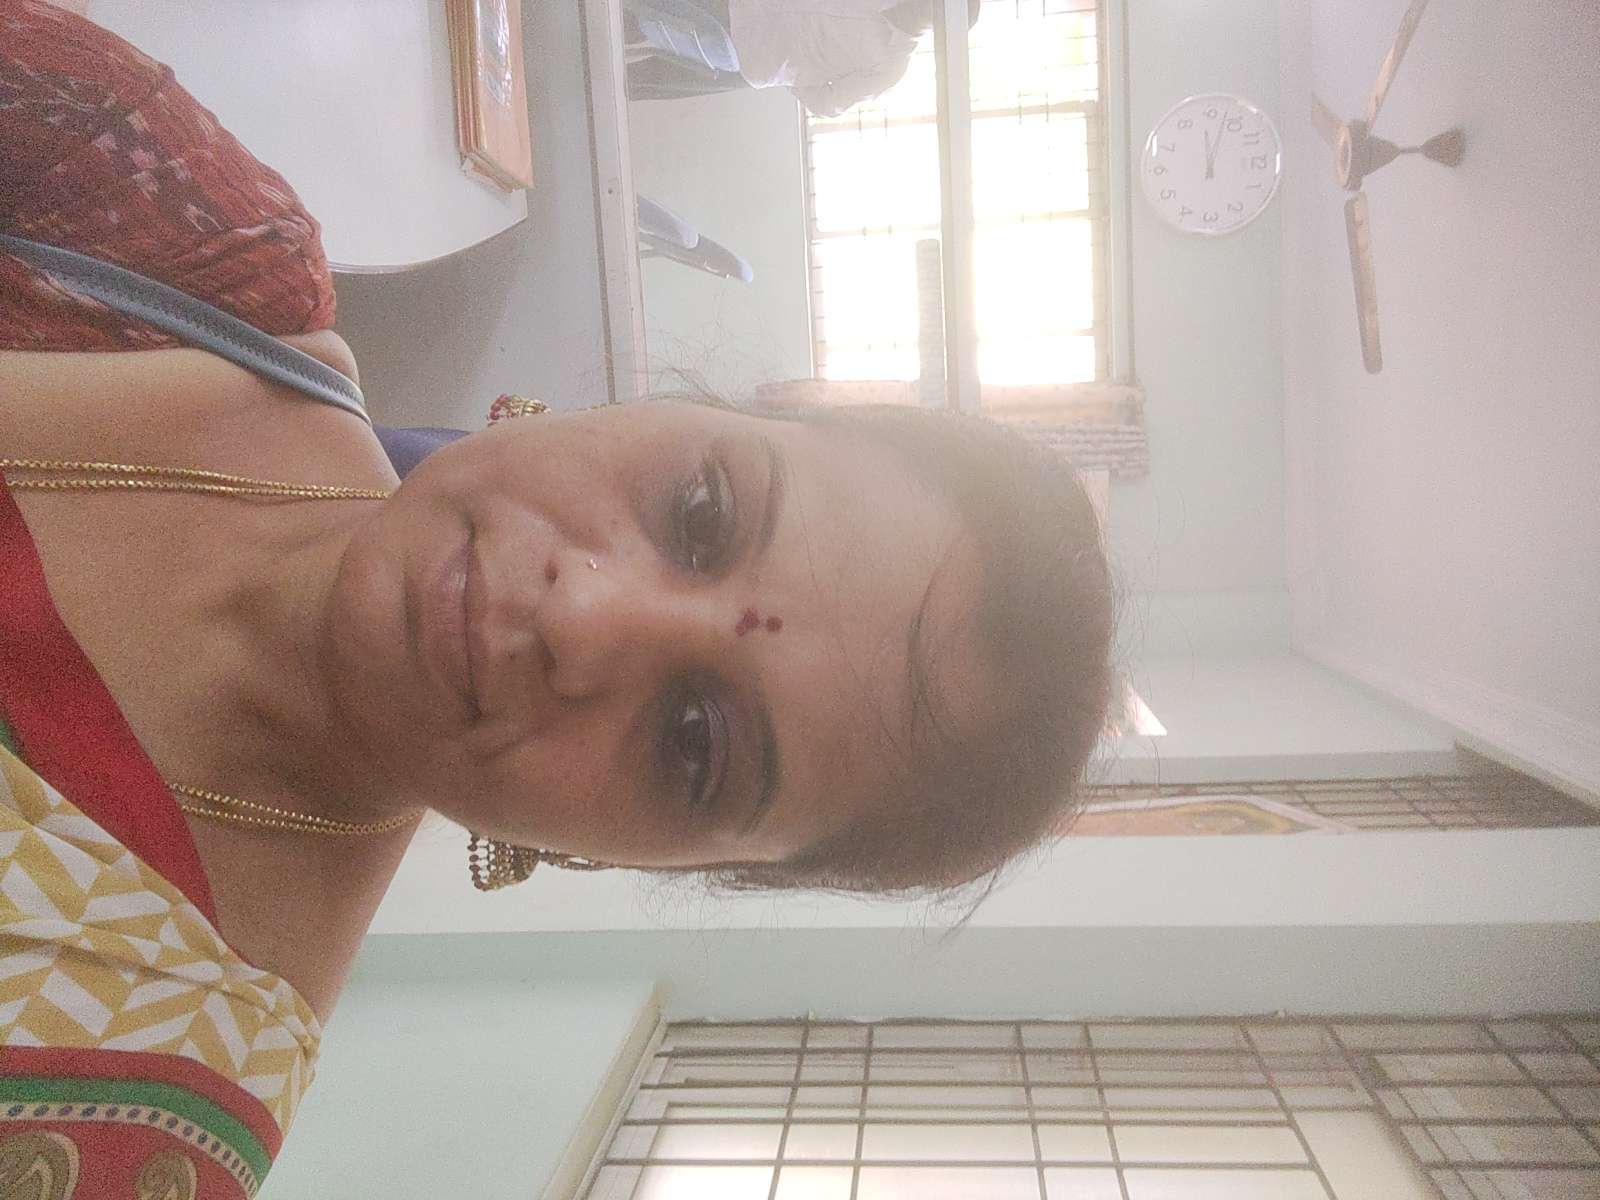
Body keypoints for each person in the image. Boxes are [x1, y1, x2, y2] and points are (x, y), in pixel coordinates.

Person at [0, 2, 1112, 1193]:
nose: (583, 619)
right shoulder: (173, 231)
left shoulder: (131, 1095)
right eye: (700, 514)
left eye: (694, 742)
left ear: (643, 862)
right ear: (677, 403)